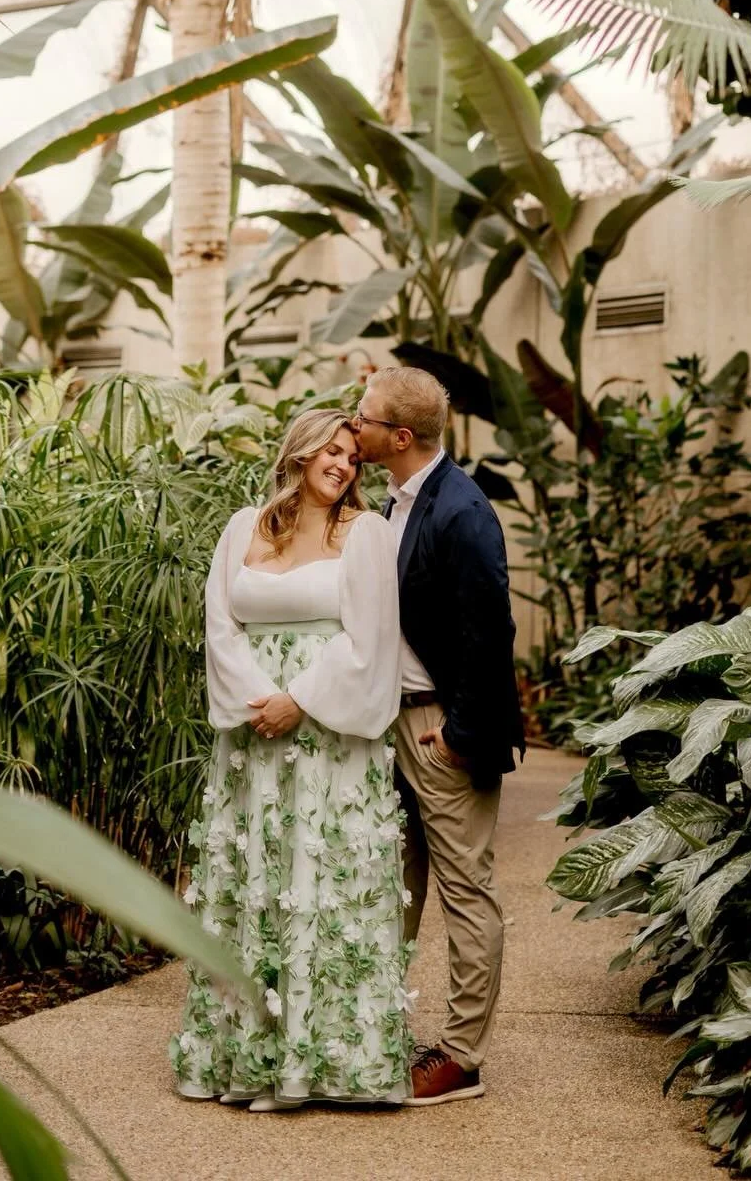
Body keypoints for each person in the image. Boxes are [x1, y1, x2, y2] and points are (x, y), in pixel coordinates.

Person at [169, 407, 412, 1111]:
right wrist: (258, 701)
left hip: (328, 737)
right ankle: (249, 1055)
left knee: (321, 880)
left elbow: (371, 639)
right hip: (253, 740)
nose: (341, 464)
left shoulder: (364, 534)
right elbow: (221, 623)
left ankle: (322, 1063)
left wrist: (298, 700)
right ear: (299, 454)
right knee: (258, 882)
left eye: (351, 456)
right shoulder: (244, 526)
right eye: (329, 452)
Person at [353, 367, 525, 1106]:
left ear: (399, 436)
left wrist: (459, 736)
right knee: (395, 885)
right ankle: (377, 1030)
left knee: (465, 890)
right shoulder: (394, 504)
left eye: (362, 417)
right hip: (390, 722)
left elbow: (490, 634)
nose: (349, 425)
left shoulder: (463, 511)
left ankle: (461, 1057)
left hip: (438, 729)